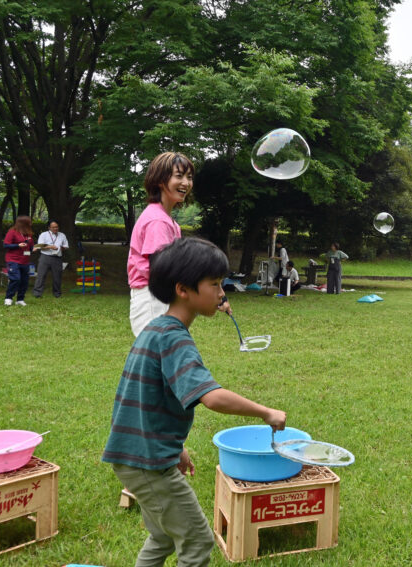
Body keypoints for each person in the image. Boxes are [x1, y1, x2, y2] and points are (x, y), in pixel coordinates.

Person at [103, 237, 287, 566]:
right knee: (199, 543)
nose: (221, 293)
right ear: (183, 289)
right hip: (148, 464)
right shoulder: (174, 338)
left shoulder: (156, 330)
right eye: (214, 284)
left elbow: (151, 399)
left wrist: (175, 447)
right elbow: (212, 397)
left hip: (138, 455)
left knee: (162, 536)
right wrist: (265, 412)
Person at [128, 152, 231, 336]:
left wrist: (215, 295)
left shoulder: (167, 220)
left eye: (189, 177)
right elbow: (161, 268)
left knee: (165, 355)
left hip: (160, 296)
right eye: (179, 176)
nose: (186, 183)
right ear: (160, 180)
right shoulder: (157, 221)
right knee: (160, 354)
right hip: (153, 297)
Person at [3, 215, 34, 306]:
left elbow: (30, 247)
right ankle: (8, 298)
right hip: (13, 260)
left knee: (24, 281)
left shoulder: (29, 234)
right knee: (16, 279)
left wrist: (34, 248)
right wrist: (17, 245)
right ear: (23, 223)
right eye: (29, 222)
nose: (31, 224)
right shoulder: (12, 232)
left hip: (25, 260)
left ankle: (20, 299)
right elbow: (6, 245)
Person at [32, 220, 69, 298]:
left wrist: (60, 248)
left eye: (57, 227)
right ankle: (37, 294)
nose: (56, 228)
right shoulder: (44, 234)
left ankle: (57, 293)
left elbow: (66, 246)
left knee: (57, 276)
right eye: (53, 227)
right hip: (45, 257)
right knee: (41, 275)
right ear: (49, 227)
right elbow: (39, 245)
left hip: (57, 257)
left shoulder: (62, 235)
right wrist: (51, 247)